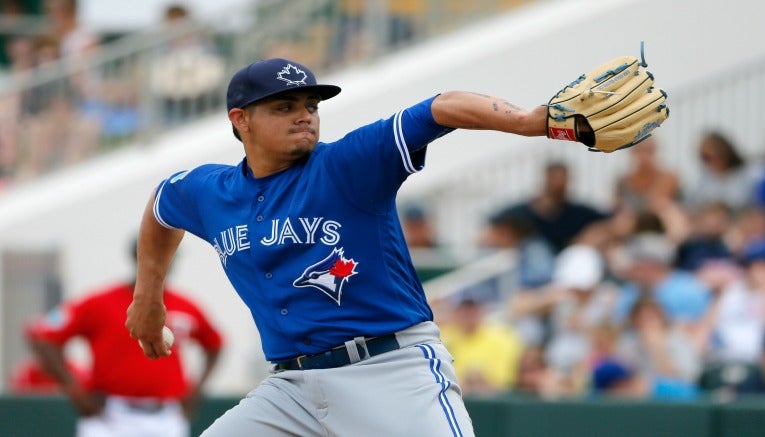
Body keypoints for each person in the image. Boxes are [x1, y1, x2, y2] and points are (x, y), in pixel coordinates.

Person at [124, 57, 591, 436]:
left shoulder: (348, 165)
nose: (304, 113)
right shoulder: (212, 191)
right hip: (291, 388)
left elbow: (441, 107)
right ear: (240, 120)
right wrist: (148, 296)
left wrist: (529, 122)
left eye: (311, 104)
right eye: (284, 106)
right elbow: (163, 205)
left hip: (388, 370)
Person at [26, 238, 223, 437]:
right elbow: (45, 338)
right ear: (139, 258)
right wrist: (75, 390)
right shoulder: (99, 302)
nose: (166, 261)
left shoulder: (185, 305)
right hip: (108, 417)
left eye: (170, 255)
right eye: (159, 253)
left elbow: (215, 344)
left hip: (166, 417)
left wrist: (198, 390)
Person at [500, 161, 611, 253]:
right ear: (546, 180)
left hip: (566, 263)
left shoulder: (578, 213)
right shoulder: (521, 212)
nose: (559, 185)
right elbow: (491, 232)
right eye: (555, 180)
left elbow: (612, 222)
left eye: (563, 181)